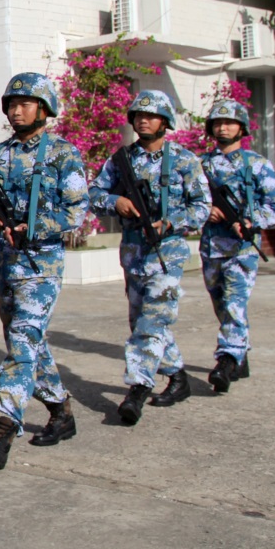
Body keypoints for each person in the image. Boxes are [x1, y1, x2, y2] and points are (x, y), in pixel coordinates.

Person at [0, 73, 89, 468]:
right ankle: (60, 410)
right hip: (5, 261)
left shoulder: (63, 154)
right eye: (12, 105)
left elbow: (76, 210)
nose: (16, 111)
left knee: (21, 342)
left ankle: (3, 428)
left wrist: (34, 226)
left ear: (44, 108)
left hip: (41, 264)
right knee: (29, 342)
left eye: (25, 104)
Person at [88, 90, 211, 425]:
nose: (143, 120)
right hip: (133, 251)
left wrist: (172, 221)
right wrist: (115, 202)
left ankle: (138, 387)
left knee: (153, 320)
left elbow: (202, 207)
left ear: (165, 121)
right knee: (142, 319)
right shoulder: (120, 160)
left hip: (167, 251)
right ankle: (178, 377)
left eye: (151, 115)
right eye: (138, 115)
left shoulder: (184, 160)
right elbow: (93, 193)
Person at [198, 98, 275, 392]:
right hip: (211, 247)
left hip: (241, 248)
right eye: (218, 123)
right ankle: (240, 353)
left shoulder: (256, 164)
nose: (223, 127)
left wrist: (250, 220)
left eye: (229, 122)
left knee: (235, 304)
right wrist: (205, 210)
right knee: (222, 305)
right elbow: (186, 201)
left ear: (242, 128)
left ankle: (225, 361)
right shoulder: (201, 165)